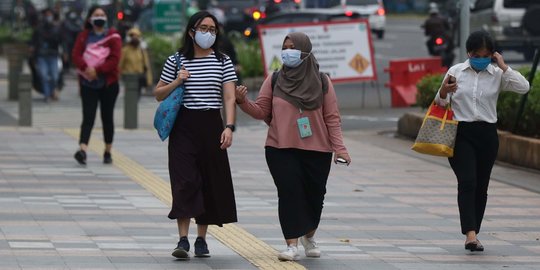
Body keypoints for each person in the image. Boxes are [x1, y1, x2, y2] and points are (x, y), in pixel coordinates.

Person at [235, 32, 351, 261]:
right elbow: (261, 111)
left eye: (293, 47)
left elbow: (332, 119)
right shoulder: (275, 79)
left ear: (305, 51)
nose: (287, 52)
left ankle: (310, 237)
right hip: (280, 148)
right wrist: (242, 102)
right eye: (285, 47)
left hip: (317, 150)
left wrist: (341, 148)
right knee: (289, 193)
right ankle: (291, 244)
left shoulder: (322, 81)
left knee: (315, 196)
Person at [153, 11, 238, 260]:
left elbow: (230, 97)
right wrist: (177, 81)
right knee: (185, 180)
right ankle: (183, 238)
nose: (208, 33)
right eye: (203, 28)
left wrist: (229, 127)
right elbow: (158, 93)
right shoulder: (176, 60)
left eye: (213, 29)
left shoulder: (223, 61)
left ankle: (201, 239)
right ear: (191, 32)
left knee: (209, 180)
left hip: (212, 124)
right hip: (184, 126)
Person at [434, 30, 529, 252]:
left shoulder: (497, 74)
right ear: (469, 52)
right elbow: (439, 102)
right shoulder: (456, 71)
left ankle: (474, 230)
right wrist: (444, 90)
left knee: (481, 186)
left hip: (487, 135)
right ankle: (470, 235)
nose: (482, 58)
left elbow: (524, 87)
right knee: (467, 181)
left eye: (487, 54)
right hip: (461, 134)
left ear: (493, 55)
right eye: (478, 54)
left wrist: (504, 66)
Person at [71, 5, 122, 165]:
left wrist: (97, 70)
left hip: (108, 84)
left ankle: (107, 151)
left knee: (107, 118)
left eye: (102, 14)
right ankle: (83, 150)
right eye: (96, 14)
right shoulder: (84, 36)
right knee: (88, 117)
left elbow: (115, 59)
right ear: (90, 18)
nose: (99, 17)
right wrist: (87, 69)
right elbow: (76, 55)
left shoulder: (113, 36)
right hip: (88, 83)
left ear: (106, 18)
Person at [30, 8, 62, 102]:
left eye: (50, 14)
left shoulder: (57, 28)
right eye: (46, 15)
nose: (48, 17)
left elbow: (62, 40)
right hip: (41, 55)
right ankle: (47, 95)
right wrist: (32, 48)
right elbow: (33, 40)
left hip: (53, 55)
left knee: (54, 76)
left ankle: (52, 91)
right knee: (43, 75)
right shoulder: (39, 28)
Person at [119, 27, 153, 97]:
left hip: (139, 79)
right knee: (130, 99)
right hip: (129, 79)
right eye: (132, 36)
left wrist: (149, 81)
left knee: (137, 98)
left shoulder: (142, 51)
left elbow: (147, 66)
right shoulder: (125, 50)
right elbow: (120, 65)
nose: (134, 38)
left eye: (137, 36)